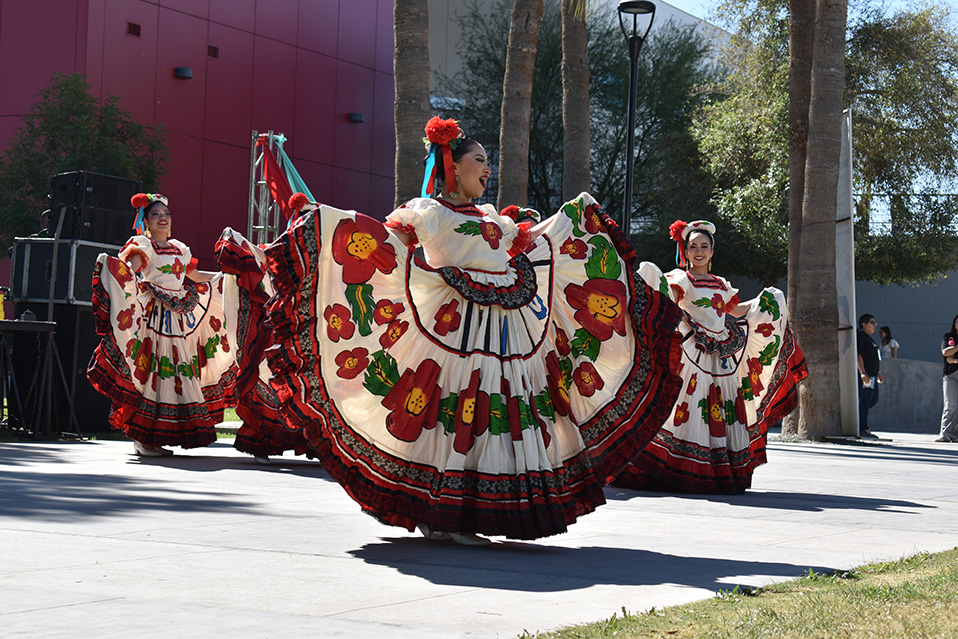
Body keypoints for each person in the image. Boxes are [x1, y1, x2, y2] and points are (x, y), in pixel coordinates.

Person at [264, 116, 683, 544]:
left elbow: (527, 243)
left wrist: (571, 219)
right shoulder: (428, 212)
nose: (488, 168)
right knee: (450, 413)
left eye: (489, 162)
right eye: (480, 160)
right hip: (453, 332)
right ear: (452, 165)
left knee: (498, 411)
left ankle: (466, 513)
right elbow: (388, 243)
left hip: (506, 333)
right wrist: (329, 221)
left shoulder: (491, 218)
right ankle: (447, 515)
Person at [611, 220, 808, 494]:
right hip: (692, 355)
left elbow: (735, 311)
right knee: (686, 410)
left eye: (704, 246)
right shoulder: (682, 279)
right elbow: (669, 299)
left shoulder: (720, 284)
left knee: (717, 409)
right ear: (686, 251)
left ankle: (714, 470)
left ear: (712, 252)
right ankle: (675, 469)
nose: (699, 251)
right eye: (693, 247)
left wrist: (767, 301)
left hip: (721, 357)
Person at [87, 194, 245, 457]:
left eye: (166, 214)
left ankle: (152, 438)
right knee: (151, 375)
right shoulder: (143, 246)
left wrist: (228, 278)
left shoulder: (180, 249)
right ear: (146, 222)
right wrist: (112, 268)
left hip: (177, 319)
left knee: (172, 377)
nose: (163, 218)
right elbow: (130, 271)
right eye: (156, 214)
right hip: (153, 319)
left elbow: (193, 276)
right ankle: (140, 438)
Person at [856, 313, 883, 439]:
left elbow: (874, 357)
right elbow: (858, 356)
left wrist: (878, 373)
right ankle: (862, 428)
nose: (874, 326)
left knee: (873, 400)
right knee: (865, 401)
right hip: (866, 375)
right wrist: (862, 373)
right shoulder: (861, 336)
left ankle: (861, 424)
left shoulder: (869, 338)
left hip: (872, 375)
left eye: (875, 323)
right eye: (872, 322)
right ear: (864, 324)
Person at [936, 315, 958, 442]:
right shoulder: (948, 336)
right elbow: (945, 353)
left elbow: (950, 357)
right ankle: (945, 434)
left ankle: (956, 436)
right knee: (951, 405)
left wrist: (953, 359)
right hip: (951, 376)